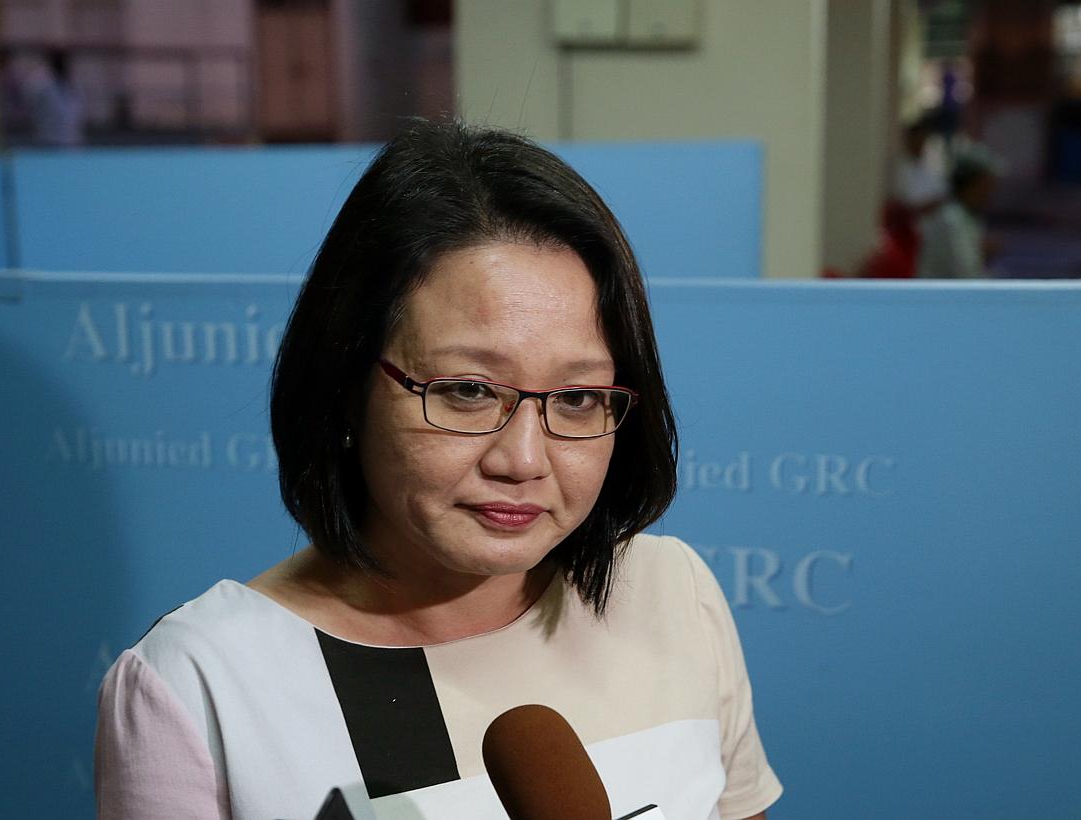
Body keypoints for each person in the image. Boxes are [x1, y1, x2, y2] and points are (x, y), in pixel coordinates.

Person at [94, 120, 782, 819]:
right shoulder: (202, 681)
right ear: (346, 385)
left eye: (577, 398)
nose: (522, 460)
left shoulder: (672, 596)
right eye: (469, 390)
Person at [917, 148, 1001, 280]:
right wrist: (983, 253)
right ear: (971, 186)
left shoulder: (967, 218)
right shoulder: (951, 221)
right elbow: (967, 275)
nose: (989, 195)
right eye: (985, 188)